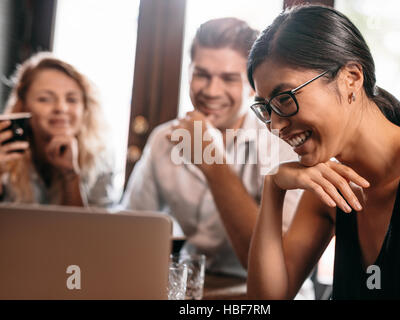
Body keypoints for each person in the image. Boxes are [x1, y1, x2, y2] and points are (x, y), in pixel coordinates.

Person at [247, 5, 400, 300]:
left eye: (284, 98)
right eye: (266, 108)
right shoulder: (329, 187)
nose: (275, 125)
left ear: (351, 78)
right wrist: (273, 186)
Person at [122, 17, 309, 292]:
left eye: (228, 78)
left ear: (252, 85)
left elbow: (275, 266)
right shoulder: (165, 140)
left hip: (261, 292)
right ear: (189, 72)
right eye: (202, 74)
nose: (211, 91)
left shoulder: (282, 141)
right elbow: (131, 233)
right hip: (191, 286)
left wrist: (214, 164)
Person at [0, 52, 120, 207]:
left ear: (85, 108)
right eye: (45, 99)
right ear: (23, 104)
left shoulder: (99, 158)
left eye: (71, 99)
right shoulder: (5, 152)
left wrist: (70, 175)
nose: (61, 108)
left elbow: (90, 230)